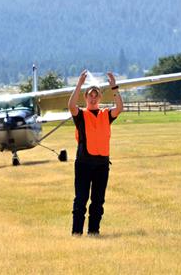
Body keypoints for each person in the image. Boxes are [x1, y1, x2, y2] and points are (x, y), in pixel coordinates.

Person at [67, 70, 123, 236]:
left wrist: (114, 87)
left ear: (99, 98)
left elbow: (119, 107)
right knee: (81, 199)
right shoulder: (81, 115)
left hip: (102, 164)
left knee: (98, 200)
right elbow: (71, 106)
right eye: (90, 95)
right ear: (85, 97)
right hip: (84, 163)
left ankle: (94, 231)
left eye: (96, 95)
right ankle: (76, 232)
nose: (93, 98)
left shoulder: (106, 114)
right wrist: (78, 84)